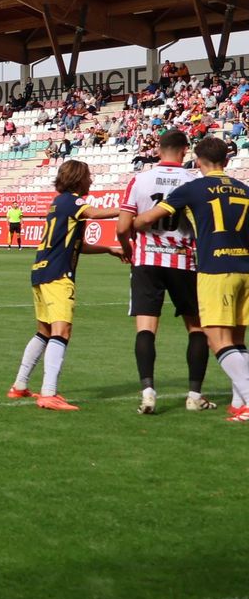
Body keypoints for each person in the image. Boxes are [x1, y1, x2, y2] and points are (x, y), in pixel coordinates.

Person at [134, 136, 249, 422]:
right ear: (227, 160)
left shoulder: (194, 187)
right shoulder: (245, 189)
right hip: (245, 268)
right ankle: (238, 403)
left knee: (215, 337)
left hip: (215, 269)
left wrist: (135, 222)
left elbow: (151, 218)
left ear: (198, 161)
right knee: (237, 338)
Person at [8, 160, 124, 410]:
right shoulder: (73, 200)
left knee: (44, 332)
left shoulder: (58, 203)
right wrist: (127, 209)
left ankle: (19, 385)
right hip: (58, 274)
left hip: (41, 270)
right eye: (88, 176)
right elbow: (93, 213)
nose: (91, 181)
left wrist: (108, 249)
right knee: (62, 331)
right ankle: (49, 393)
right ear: (79, 179)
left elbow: (76, 245)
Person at [117, 129, 214, 414]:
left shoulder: (140, 179)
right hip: (185, 261)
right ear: (185, 150)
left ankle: (148, 392)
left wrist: (126, 247)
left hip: (147, 260)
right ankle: (194, 395)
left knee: (146, 328)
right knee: (196, 328)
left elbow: (123, 227)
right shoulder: (194, 181)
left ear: (158, 150)